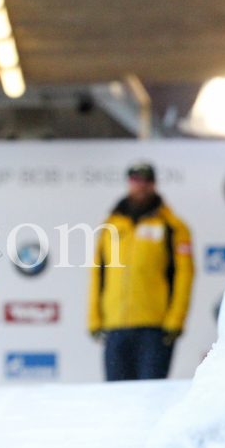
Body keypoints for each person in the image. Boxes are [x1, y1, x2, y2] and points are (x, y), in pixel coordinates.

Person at [88, 162, 194, 380]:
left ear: (154, 184)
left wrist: (176, 319)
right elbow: (98, 273)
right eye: (136, 180)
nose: (141, 185)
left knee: (150, 397)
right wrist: (94, 317)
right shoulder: (110, 225)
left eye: (147, 180)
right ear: (129, 183)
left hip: (154, 328)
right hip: (115, 325)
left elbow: (184, 275)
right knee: (116, 398)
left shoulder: (173, 225)